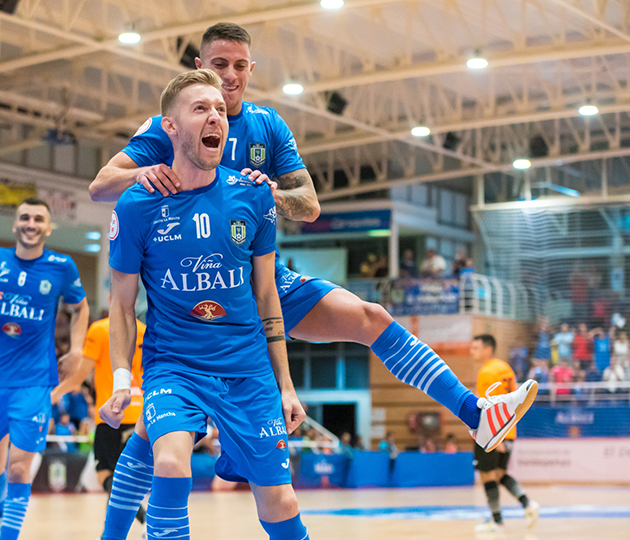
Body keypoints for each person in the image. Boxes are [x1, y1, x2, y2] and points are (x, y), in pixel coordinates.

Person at [90, 23, 537, 538]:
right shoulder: (169, 124)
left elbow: (310, 204)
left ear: (251, 70)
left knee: (372, 317)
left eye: (239, 65)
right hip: (191, 311)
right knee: (156, 445)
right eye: (218, 64)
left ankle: (475, 413)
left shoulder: (267, 127)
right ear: (198, 66)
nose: (229, 76)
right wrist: (145, 174)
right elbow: (102, 185)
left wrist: (268, 193)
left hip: (260, 283)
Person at [101, 68, 310, 540]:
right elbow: (121, 304)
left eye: (219, 109)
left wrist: (286, 384)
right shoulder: (137, 204)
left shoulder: (254, 193)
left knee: (281, 501)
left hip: (247, 368)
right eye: (201, 109)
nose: (216, 116)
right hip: (173, 365)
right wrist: (120, 380)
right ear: (169, 128)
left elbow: (266, 296)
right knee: (172, 464)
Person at [0, 197, 89, 540]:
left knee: (18, 467)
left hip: (34, 381)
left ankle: (8, 535)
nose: (30, 224)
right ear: (15, 224)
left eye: (38, 219)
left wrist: (76, 350)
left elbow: (81, 308)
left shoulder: (62, 266)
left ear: (48, 228)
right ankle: (3, 518)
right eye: (24, 218)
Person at [52, 311, 148, 534]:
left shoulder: (101, 329)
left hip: (112, 412)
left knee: (106, 474)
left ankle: (145, 520)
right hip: (141, 414)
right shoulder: (144, 330)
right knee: (124, 478)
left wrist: (54, 395)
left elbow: (79, 375)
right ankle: (112, 533)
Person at [470, 334, 540, 535]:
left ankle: (497, 521)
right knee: (500, 474)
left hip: (492, 432)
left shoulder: (486, 372)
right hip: (510, 429)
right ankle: (528, 504)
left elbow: (489, 407)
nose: (472, 351)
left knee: (486, 475)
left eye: (476, 347)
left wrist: (495, 436)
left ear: (487, 349)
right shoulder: (505, 368)